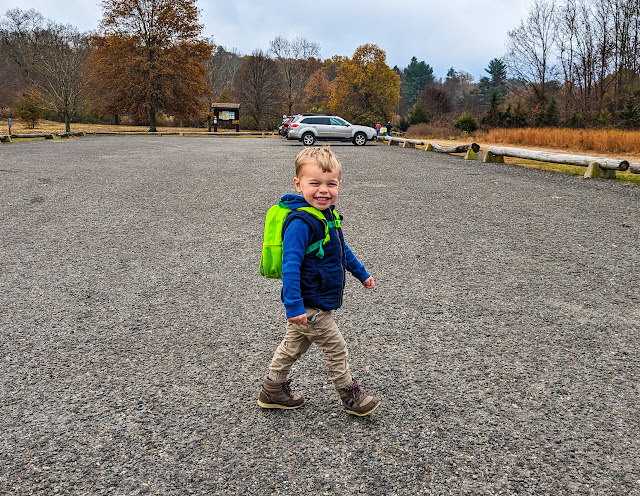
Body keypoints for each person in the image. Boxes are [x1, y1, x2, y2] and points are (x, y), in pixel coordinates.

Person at [258, 145, 381, 417]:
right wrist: (294, 306)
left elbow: (341, 250)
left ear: (339, 184)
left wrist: (362, 274)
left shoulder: (328, 216)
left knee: (292, 347)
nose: (323, 190)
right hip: (309, 302)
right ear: (298, 184)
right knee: (336, 348)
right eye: (315, 183)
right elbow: (291, 267)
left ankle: (272, 390)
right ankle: (350, 396)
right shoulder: (302, 223)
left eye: (331, 184)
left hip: (315, 299)